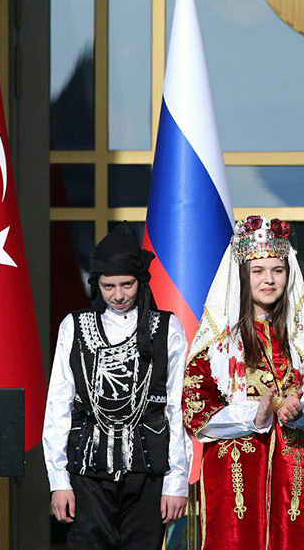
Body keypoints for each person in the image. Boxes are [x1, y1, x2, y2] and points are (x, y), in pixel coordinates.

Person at [182, 215, 304, 550]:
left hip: (292, 470)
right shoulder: (219, 341)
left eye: (277, 270)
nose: (269, 280)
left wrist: (301, 410)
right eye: (258, 271)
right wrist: (253, 417)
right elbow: (194, 409)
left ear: (289, 273)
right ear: (242, 276)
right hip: (234, 473)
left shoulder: (302, 338)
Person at [43, 223, 190, 550]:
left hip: (148, 472)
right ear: (96, 284)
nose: (119, 295)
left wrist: (176, 483)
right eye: (109, 286)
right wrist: (58, 482)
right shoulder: (74, 326)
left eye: (127, 284)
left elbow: (177, 408)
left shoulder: (167, 327)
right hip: (87, 472)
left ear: (141, 281)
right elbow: (58, 406)